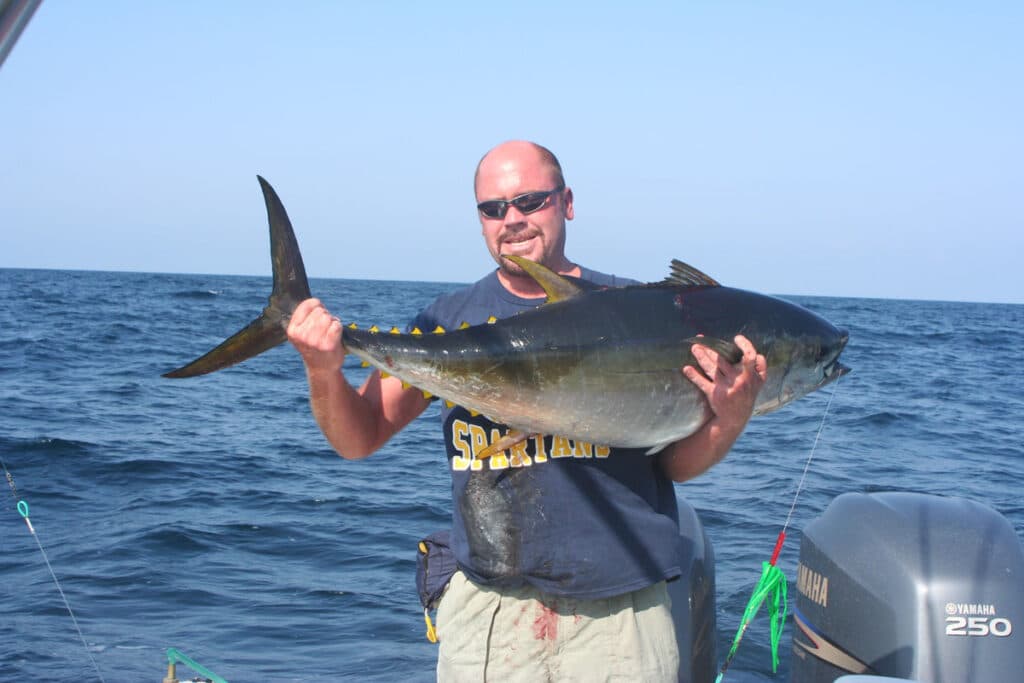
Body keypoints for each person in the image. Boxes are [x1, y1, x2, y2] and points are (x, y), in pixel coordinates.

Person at [286, 140, 768, 682]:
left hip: (618, 622)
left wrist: (730, 417)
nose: (511, 219)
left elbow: (673, 466)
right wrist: (322, 370)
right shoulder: (448, 322)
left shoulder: (638, 313)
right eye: (493, 208)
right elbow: (360, 437)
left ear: (567, 202)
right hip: (488, 619)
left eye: (530, 201)